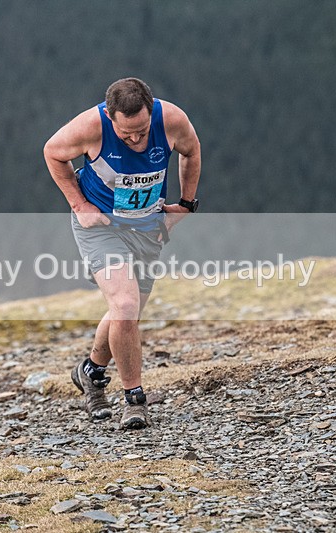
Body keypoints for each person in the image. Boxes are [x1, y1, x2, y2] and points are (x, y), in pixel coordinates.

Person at [44, 78, 201, 429]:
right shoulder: (90, 126)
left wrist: (186, 205)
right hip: (102, 227)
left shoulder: (171, 120)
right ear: (109, 117)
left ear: (151, 110)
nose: (135, 139)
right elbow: (53, 152)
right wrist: (79, 204)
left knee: (126, 312)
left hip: (148, 227)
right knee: (126, 306)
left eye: (142, 131)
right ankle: (135, 399)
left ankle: (91, 372)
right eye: (126, 133)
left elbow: (191, 151)